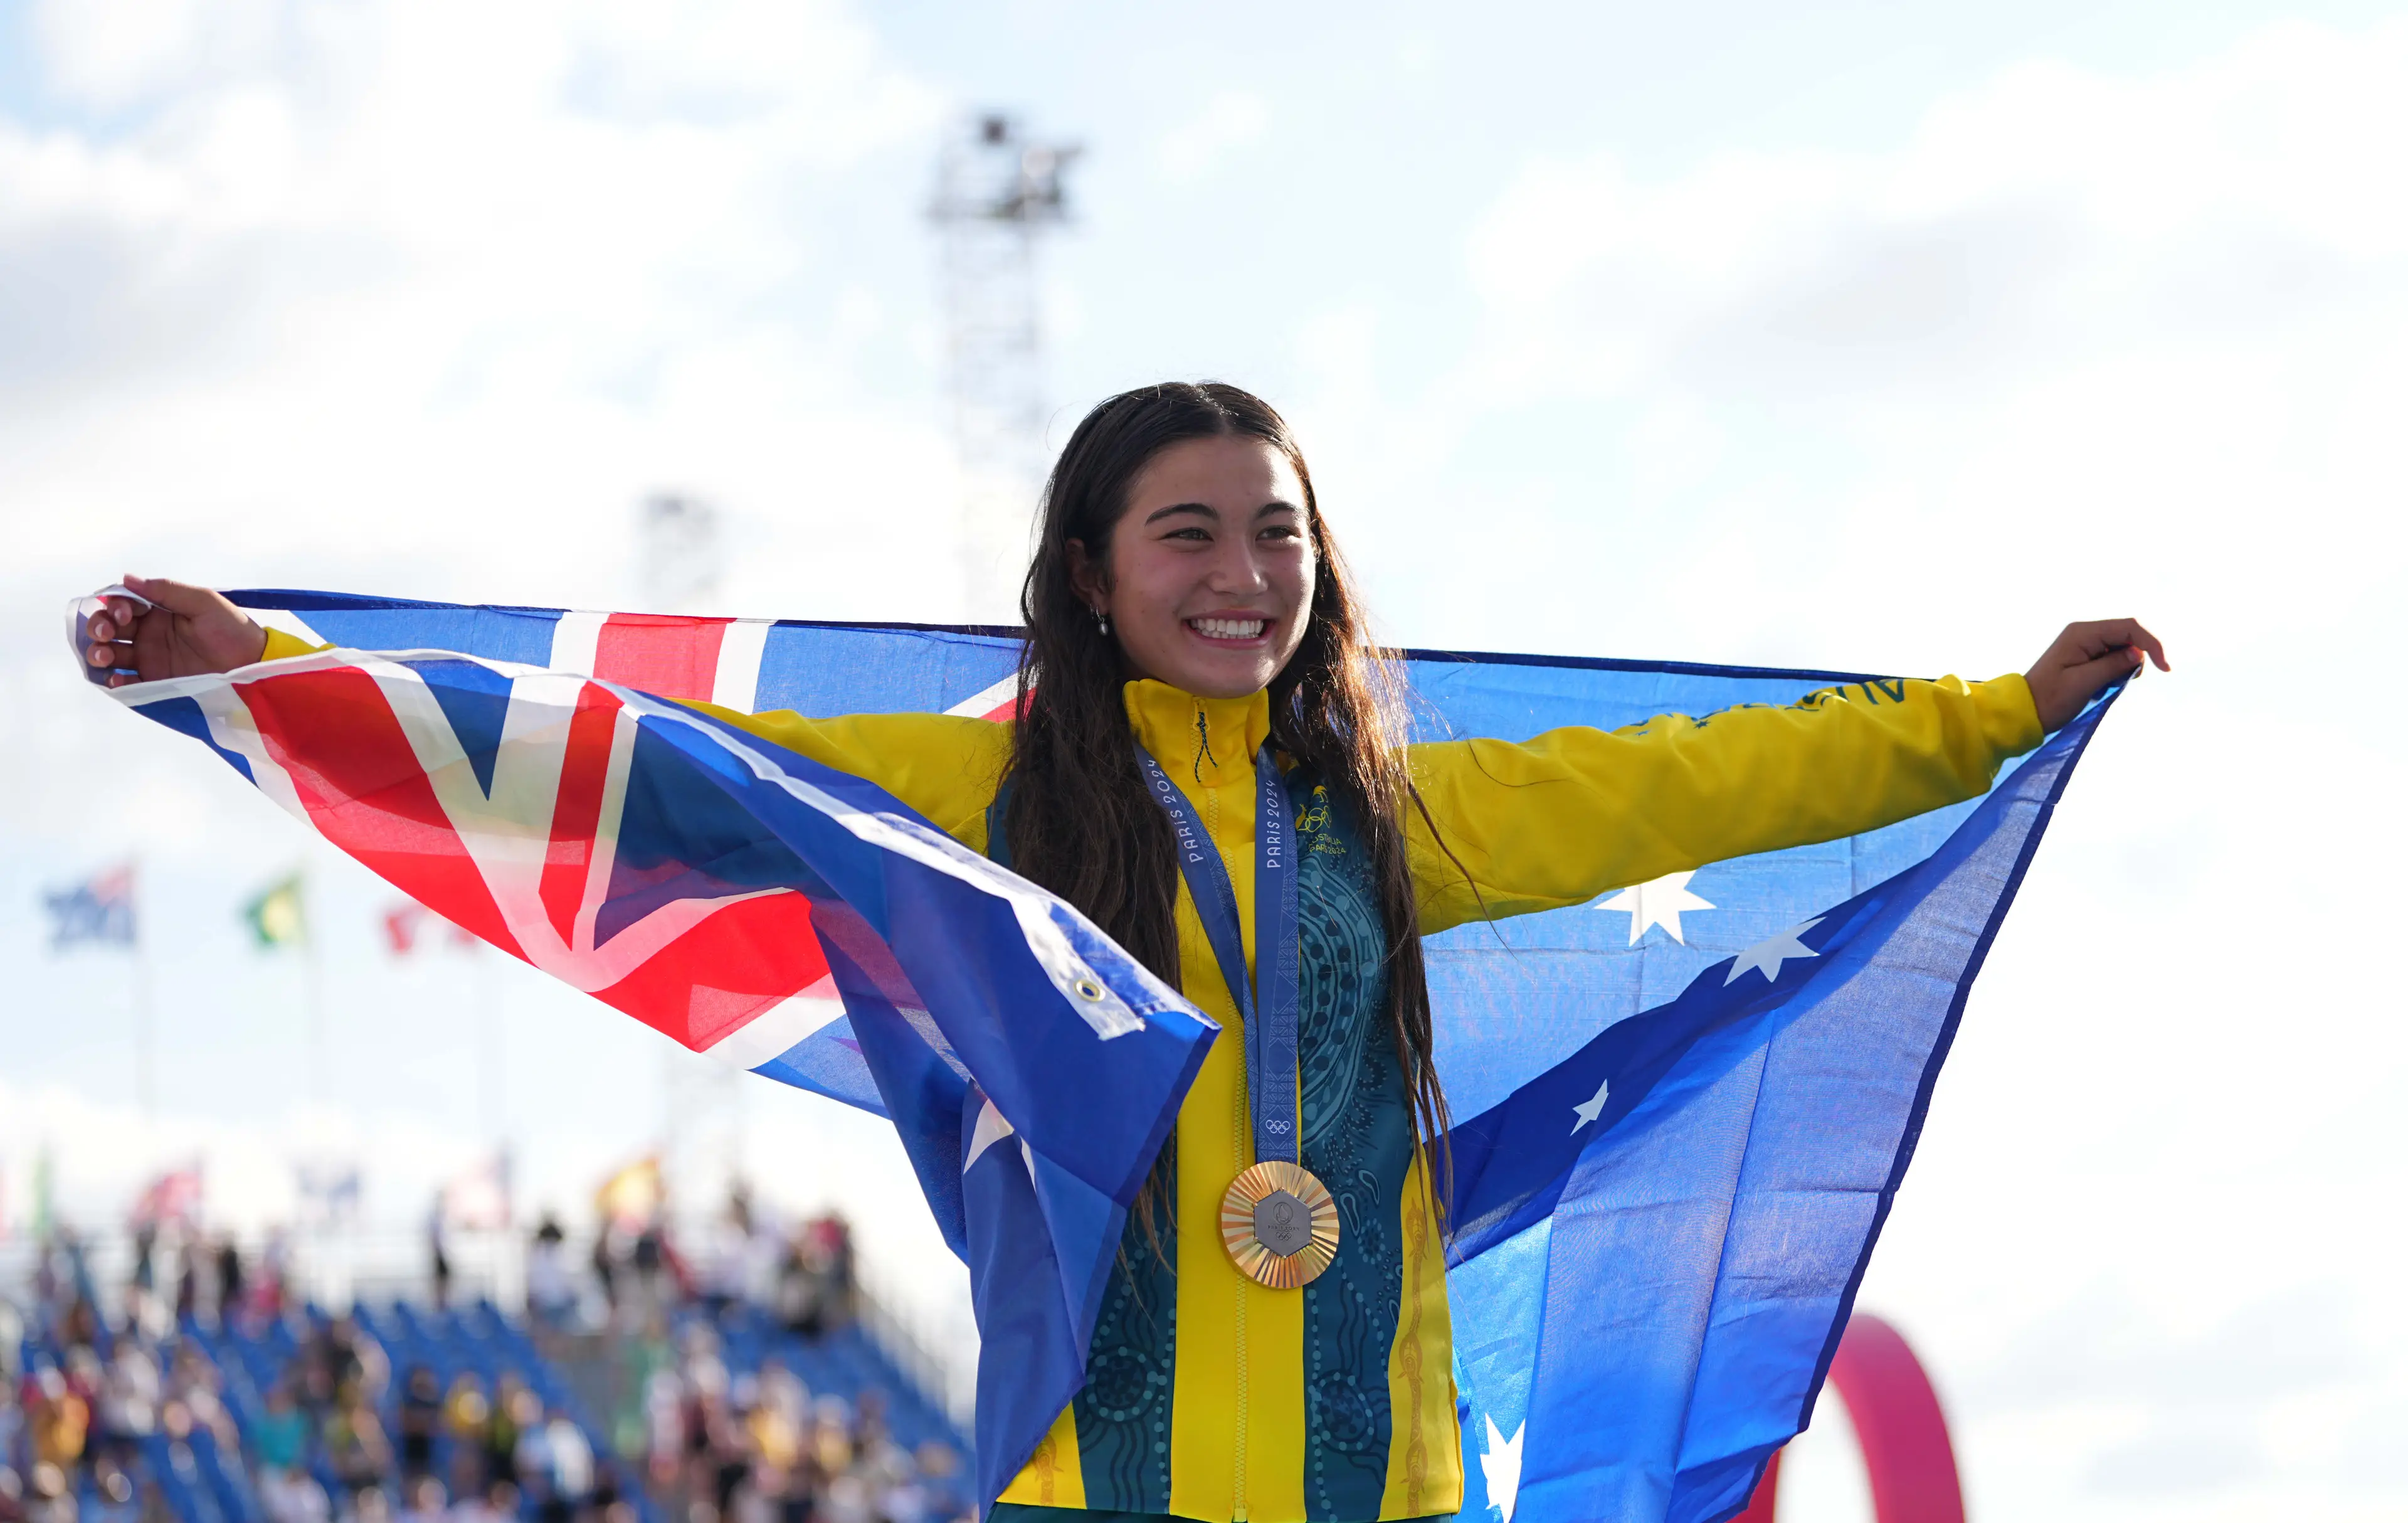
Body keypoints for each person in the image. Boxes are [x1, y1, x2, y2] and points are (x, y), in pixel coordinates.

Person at [80, 380, 2167, 1523]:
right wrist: (285, 668)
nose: (1246, 573)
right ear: (1092, 571)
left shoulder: (1391, 811)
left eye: (1278, 531)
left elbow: (1707, 783)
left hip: (1387, 1485)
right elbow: (647, 764)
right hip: (1102, 1478)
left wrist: (1989, 709)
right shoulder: (989, 803)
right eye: (1190, 531)